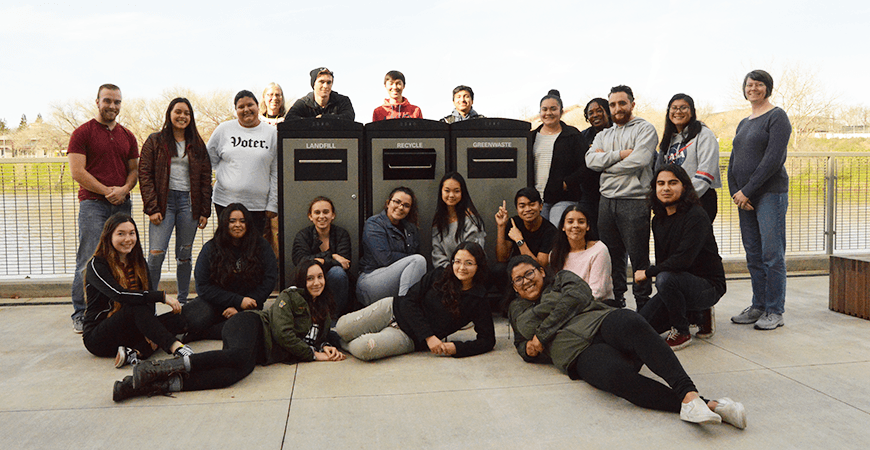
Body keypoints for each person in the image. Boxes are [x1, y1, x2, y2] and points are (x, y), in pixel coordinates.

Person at [507, 256, 746, 429]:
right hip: (577, 352)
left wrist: (541, 334)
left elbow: (579, 296)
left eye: (530, 273)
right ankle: (710, 406)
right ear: (514, 287)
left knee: (633, 322)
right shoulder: (516, 309)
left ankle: (689, 393)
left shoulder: (561, 278)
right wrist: (527, 350)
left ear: (541, 271)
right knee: (616, 378)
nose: (526, 281)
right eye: (518, 280)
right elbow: (524, 337)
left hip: (602, 320)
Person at [114, 260, 345, 402]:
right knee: (237, 356)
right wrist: (314, 355)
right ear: (301, 280)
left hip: (260, 351)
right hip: (250, 324)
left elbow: (321, 336)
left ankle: (147, 385)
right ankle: (159, 367)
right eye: (310, 278)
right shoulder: (291, 296)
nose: (316, 282)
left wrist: (326, 346)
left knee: (230, 375)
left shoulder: (323, 307)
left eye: (320, 277)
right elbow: (283, 334)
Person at [336, 242, 494, 361]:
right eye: (457, 261)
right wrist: (429, 337)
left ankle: (337, 342)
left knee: (364, 349)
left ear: (478, 266)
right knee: (342, 327)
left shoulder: (478, 299)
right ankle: (338, 337)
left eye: (469, 263)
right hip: (393, 309)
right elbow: (408, 300)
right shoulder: (440, 275)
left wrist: (456, 348)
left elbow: (487, 340)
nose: (461, 267)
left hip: (409, 337)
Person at [68, 84, 140, 333]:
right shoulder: (82, 133)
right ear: (97, 101)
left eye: (117, 102)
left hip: (122, 204)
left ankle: (117, 307)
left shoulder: (127, 136)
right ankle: (81, 312)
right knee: (89, 258)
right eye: (107, 101)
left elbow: (134, 171)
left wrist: (123, 190)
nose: (112, 106)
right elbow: (78, 171)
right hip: (93, 204)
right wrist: (107, 191)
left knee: (122, 256)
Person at [82, 213, 192, 369]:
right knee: (136, 306)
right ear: (108, 236)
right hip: (99, 337)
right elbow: (120, 295)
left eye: (131, 233)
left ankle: (133, 353)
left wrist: (149, 327)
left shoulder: (139, 262)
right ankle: (177, 348)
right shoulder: (97, 264)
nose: (128, 239)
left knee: (179, 319)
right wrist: (161, 297)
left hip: (129, 330)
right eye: (121, 234)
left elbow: (147, 307)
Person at [728, 70, 792, 331]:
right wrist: (736, 193)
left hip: (769, 195)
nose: (753, 88)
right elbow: (733, 160)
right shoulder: (744, 122)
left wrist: (749, 190)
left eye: (759, 85)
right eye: (749, 84)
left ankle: (775, 310)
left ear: (768, 89)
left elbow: (772, 161)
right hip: (744, 197)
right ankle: (758, 305)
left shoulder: (777, 117)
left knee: (771, 255)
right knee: (753, 254)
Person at [636, 165, 726, 350]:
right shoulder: (658, 219)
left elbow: (681, 260)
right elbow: (664, 261)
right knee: (639, 327)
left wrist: (647, 272)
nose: (666, 188)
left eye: (672, 183)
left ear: (684, 187)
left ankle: (682, 331)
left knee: (664, 278)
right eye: (660, 183)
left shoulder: (697, 216)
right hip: (677, 282)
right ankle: (696, 314)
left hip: (707, 286)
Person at [585, 85, 658, 311]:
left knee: (638, 258)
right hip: (606, 203)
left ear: (632, 104)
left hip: (635, 202)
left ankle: (644, 306)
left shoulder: (645, 129)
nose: (617, 108)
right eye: (613, 104)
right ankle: (617, 302)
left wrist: (606, 166)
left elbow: (640, 160)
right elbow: (590, 161)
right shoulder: (604, 135)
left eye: (622, 103)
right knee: (611, 258)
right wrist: (619, 155)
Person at [139, 97, 212, 304]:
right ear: (169, 114)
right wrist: (152, 207)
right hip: (164, 203)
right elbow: (144, 174)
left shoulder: (197, 144)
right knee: (156, 253)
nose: (182, 116)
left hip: (188, 204)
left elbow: (206, 178)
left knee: (184, 255)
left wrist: (204, 211)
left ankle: (181, 302)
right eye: (178, 112)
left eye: (187, 113)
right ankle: (149, 302)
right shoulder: (155, 141)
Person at [182, 203, 278, 342]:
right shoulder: (211, 248)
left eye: (242, 221)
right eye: (232, 221)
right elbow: (202, 286)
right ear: (224, 223)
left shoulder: (261, 246)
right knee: (193, 318)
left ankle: (202, 333)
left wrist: (241, 306)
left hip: (250, 305)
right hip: (215, 303)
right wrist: (237, 300)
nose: (237, 225)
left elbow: (269, 280)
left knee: (247, 327)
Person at [207, 90, 278, 234]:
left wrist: (273, 204)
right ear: (236, 110)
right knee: (226, 247)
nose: (246, 110)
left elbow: (276, 171)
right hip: (225, 202)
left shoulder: (271, 133)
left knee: (253, 249)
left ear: (258, 107)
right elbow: (208, 161)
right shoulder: (224, 130)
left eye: (250, 105)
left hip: (258, 206)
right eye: (241, 107)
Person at [531, 89, 594, 226]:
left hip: (563, 198)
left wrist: (566, 183)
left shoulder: (572, 135)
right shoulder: (531, 137)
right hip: (536, 199)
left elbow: (586, 166)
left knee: (556, 233)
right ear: (540, 112)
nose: (548, 113)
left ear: (561, 111)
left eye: (553, 109)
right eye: (544, 109)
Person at [656, 93, 722, 222]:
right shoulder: (669, 139)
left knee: (695, 241)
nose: (678, 111)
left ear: (692, 111)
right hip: (673, 200)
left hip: (699, 199)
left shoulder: (704, 135)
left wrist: (685, 199)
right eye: (674, 108)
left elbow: (707, 171)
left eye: (683, 107)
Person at [357, 187, 427, 306]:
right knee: (418, 260)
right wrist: (409, 258)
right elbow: (385, 258)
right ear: (388, 203)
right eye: (397, 202)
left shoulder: (411, 229)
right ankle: (405, 311)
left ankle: (403, 310)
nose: (400, 207)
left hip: (399, 284)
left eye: (406, 205)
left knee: (419, 264)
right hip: (370, 282)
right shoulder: (374, 223)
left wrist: (410, 259)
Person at [292, 196, 352, 316]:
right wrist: (333, 256)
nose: (321, 216)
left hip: (335, 284)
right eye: (317, 212)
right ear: (310, 216)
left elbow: (345, 264)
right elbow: (301, 262)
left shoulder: (341, 234)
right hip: (309, 282)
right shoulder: (303, 236)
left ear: (333, 215)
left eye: (326, 212)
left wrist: (319, 260)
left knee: (337, 273)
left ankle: (333, 319)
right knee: (312, 273)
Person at [549, 205, 616, 307]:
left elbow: (598, 292)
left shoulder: (599, 250)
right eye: (570, 222)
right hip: (565, 307)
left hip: (595, 306)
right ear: (563, 226)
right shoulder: (555, 254)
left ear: (587, 226)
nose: (575, 226)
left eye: (581, 222)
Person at [431, 172, 485, 268]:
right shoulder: (438, 220)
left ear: (462, 193)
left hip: (468, 271)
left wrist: (458, 269)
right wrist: (449, 271)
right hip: (446, 272)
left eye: (456, 191)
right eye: (447, 191)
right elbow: (437, 253)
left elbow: (474, 253)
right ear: (441, 192)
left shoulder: (471, 220)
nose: (451, 195)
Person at [495, 187, 557, 268]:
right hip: (515, 268)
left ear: (541, 206)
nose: (527, 209)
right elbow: (501, 258)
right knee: (498, 268)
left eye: (532, 205)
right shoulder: (514, 223)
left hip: (534, 273)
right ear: (517, 209)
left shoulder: (550, 231)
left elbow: (539, 266)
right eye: (522, 206)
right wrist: (501, 226)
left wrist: (519, 241)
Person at [285, 67, 355, 121]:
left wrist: (324, 118)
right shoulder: (303, 103)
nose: (325, 86)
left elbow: (349, 117)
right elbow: (290, 118)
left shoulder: (342, 101)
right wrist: (314, 121)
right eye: (322, 82)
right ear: (313, 84)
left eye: (329, 82)